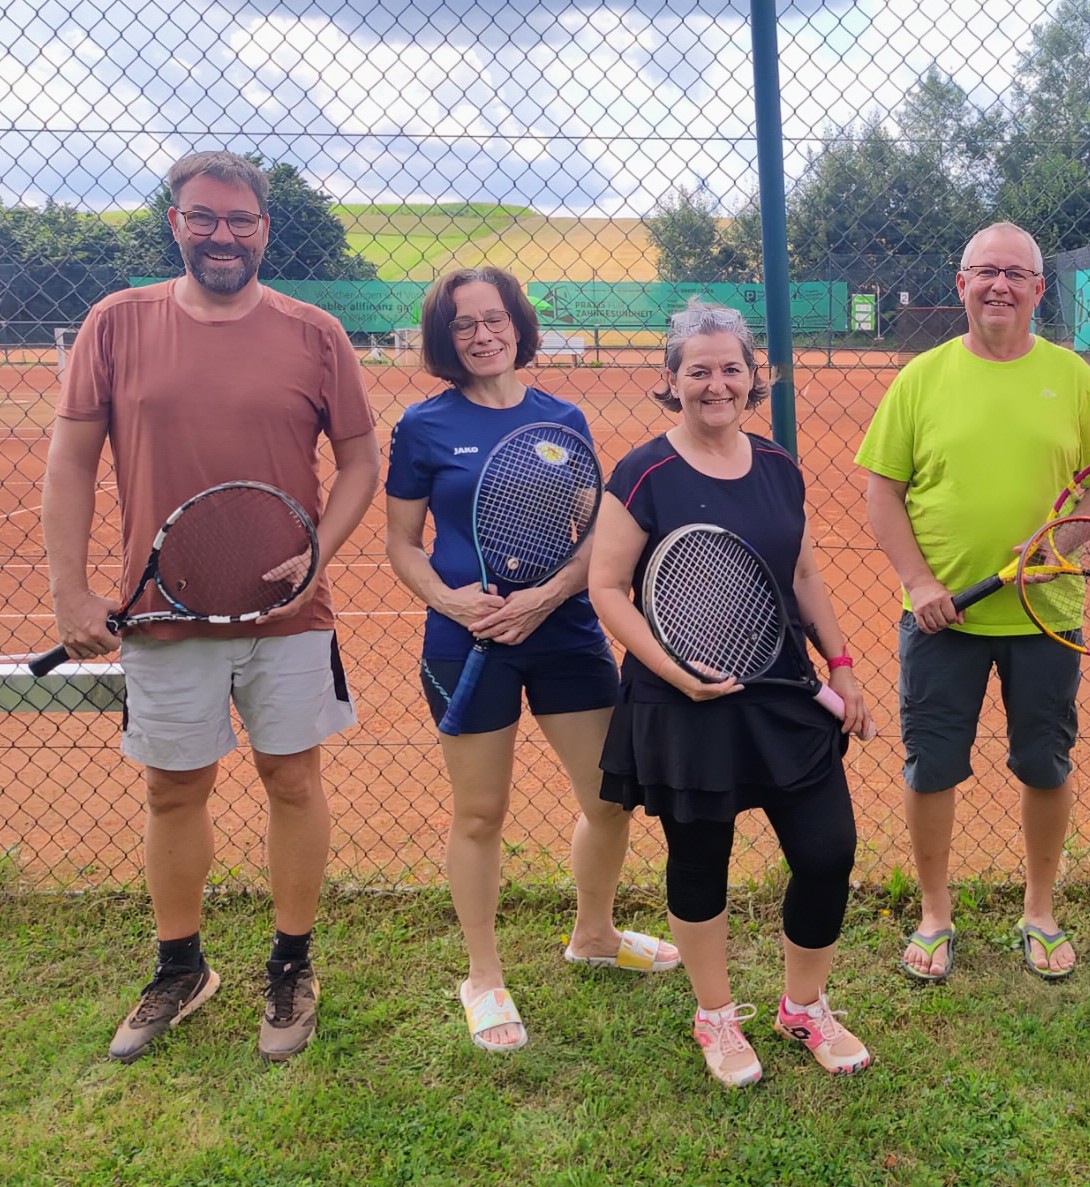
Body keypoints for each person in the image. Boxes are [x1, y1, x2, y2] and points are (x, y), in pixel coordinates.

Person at [44, 150, 380, 1062]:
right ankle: (182, 966)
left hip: (288, 619)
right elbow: (71, 461)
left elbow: (359, 464)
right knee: (172, 789)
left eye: (240, 220)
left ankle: (291, 962)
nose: (222, 234)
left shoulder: (315, 333)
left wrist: (317, 554)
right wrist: (71, 587)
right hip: (161, 615)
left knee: (292, 780)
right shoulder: (116, 323)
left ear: (265, 228)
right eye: (204, 217)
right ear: (175, 222)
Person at [384, 266, 679, 1053]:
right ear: (445, 339)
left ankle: (594, 933)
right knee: (480, 812)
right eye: (463, 325)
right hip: (466, 637)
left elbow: (594, 535)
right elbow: (401, 546)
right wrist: (450, 601)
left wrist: (545, 596)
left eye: (494, 319)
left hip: (563, 628)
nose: (482, 334)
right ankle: (482, 976)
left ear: (518, 324)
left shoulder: (563, 416)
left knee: (611, 798)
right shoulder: (423, 426)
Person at [587, 301, 873, 1087]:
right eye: (698, 369)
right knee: (700, 859)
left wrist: (840, 664)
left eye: (731, 368)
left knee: (827, 852)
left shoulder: (779, 464)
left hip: (781, 690)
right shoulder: (643, 472)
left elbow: (804, 573)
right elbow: (607, 587)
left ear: (756, 377)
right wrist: (672, 670)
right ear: (670, 381)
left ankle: (803, 1006)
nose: (716, 384)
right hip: (683, 703)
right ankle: (714, 1013)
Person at [857, 221, 1090, 983]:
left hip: (1046, 616)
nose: (1000, 285)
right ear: (961, 285)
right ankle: (935, 912)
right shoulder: (921, 377)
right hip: (943, 620)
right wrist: (920, 583)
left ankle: (1039, 910)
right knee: (931, 766)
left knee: (1044, 763)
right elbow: (882, 493)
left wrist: (1059, 547)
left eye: (1016, 273)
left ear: (1040, 290)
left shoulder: (1072, 376)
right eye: (986, 272)